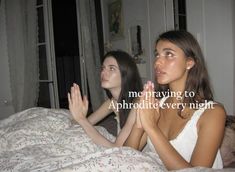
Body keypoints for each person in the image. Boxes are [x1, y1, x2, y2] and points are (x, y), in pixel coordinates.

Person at [124, 30, 226, 170]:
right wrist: (140, 123)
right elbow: (125, 156)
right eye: (157, 55)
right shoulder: (156, 105)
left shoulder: (213, 113)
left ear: (189, 62)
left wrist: (152, 128)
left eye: (169, 54)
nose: (157, 62)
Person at [68, 50, 142, 147]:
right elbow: (81, 124)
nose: (103, 72)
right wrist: (79, 115)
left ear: (126, 74)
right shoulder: (112, 102)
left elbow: (117, 148)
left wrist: (82, 119)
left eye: (111, 68)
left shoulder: (139, 102)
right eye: (103, 68)